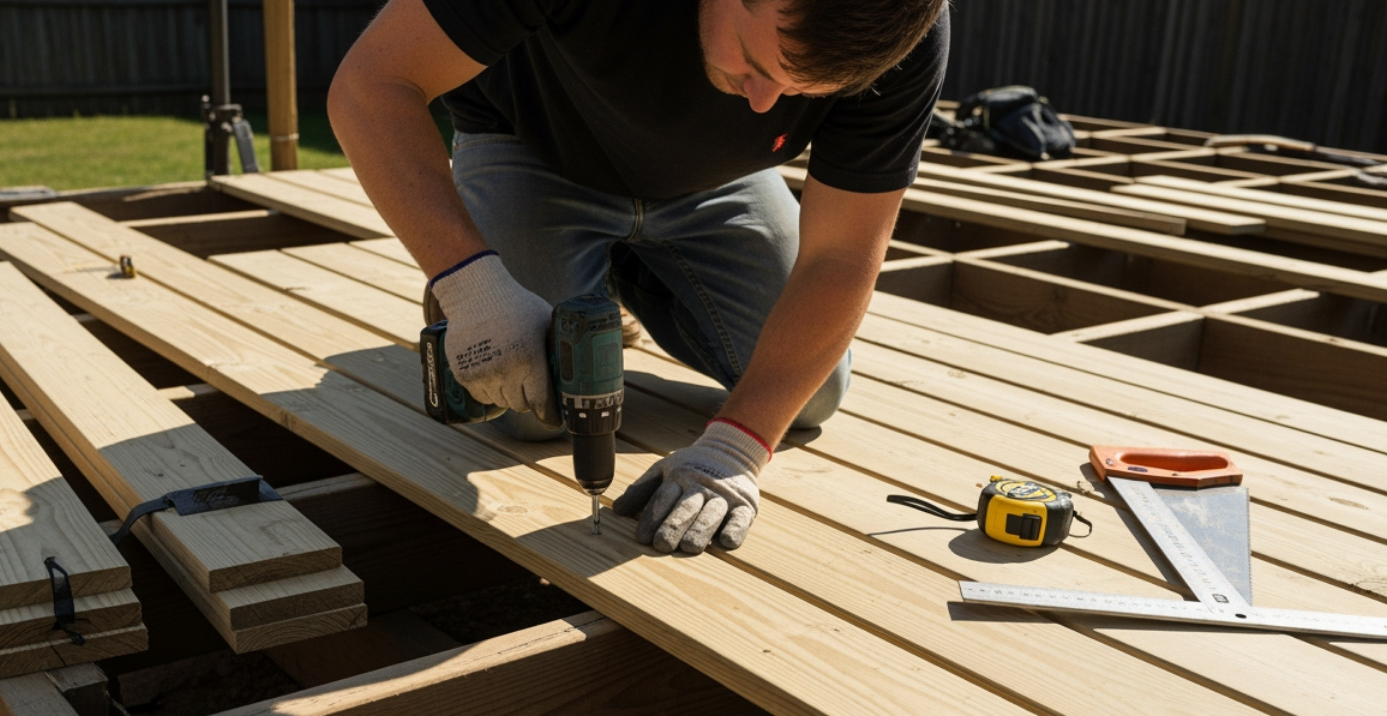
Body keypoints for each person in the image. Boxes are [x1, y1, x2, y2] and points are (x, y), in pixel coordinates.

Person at [328, 0, 950, 554]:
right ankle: (494, 266)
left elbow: (838, 259)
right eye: (759, 65)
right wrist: (472, 288)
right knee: (524, 406)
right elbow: (371, 83)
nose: (764, 103)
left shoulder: (904, 27)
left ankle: (608, 273)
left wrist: (737, 448)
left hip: (716, 181)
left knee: (809, 398)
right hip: (534, 147)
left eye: (805, 92)